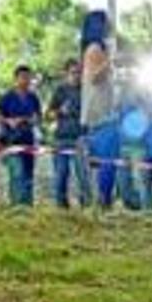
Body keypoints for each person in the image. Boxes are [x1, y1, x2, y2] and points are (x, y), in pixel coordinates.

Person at [80, 10, 121, 208]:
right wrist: (110, 60)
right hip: (101, 113)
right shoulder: (95, 48)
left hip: (102, 112)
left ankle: (104, 200)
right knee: (108, 161)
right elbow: (96, 77)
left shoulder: (94, 48)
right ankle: (104, 202)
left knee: (107, 161)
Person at [0, 65, 42, 206]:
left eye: (28, 78)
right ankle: (16, 205)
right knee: (17, 173)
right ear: (16, 79)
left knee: (28, 175)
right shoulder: (7, 97)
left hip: (28, 141)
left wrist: (34, 120)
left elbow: (39, 118)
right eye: (23, 77)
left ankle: (27, 206)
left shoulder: (33, 98)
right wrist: (9, 120)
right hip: (10, 140)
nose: (26, 80)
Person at [47, 58, 91, 208]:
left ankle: (86, 207)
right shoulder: (60, 90)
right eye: (74, 72)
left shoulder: (87, 91)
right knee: (61, 175)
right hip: (61, 138)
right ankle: (61, 207)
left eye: (80, 72)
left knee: (84, 176)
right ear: (66, 73)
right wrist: (60, 111)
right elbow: (48, 114)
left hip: (81, 138)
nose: (77, 75)